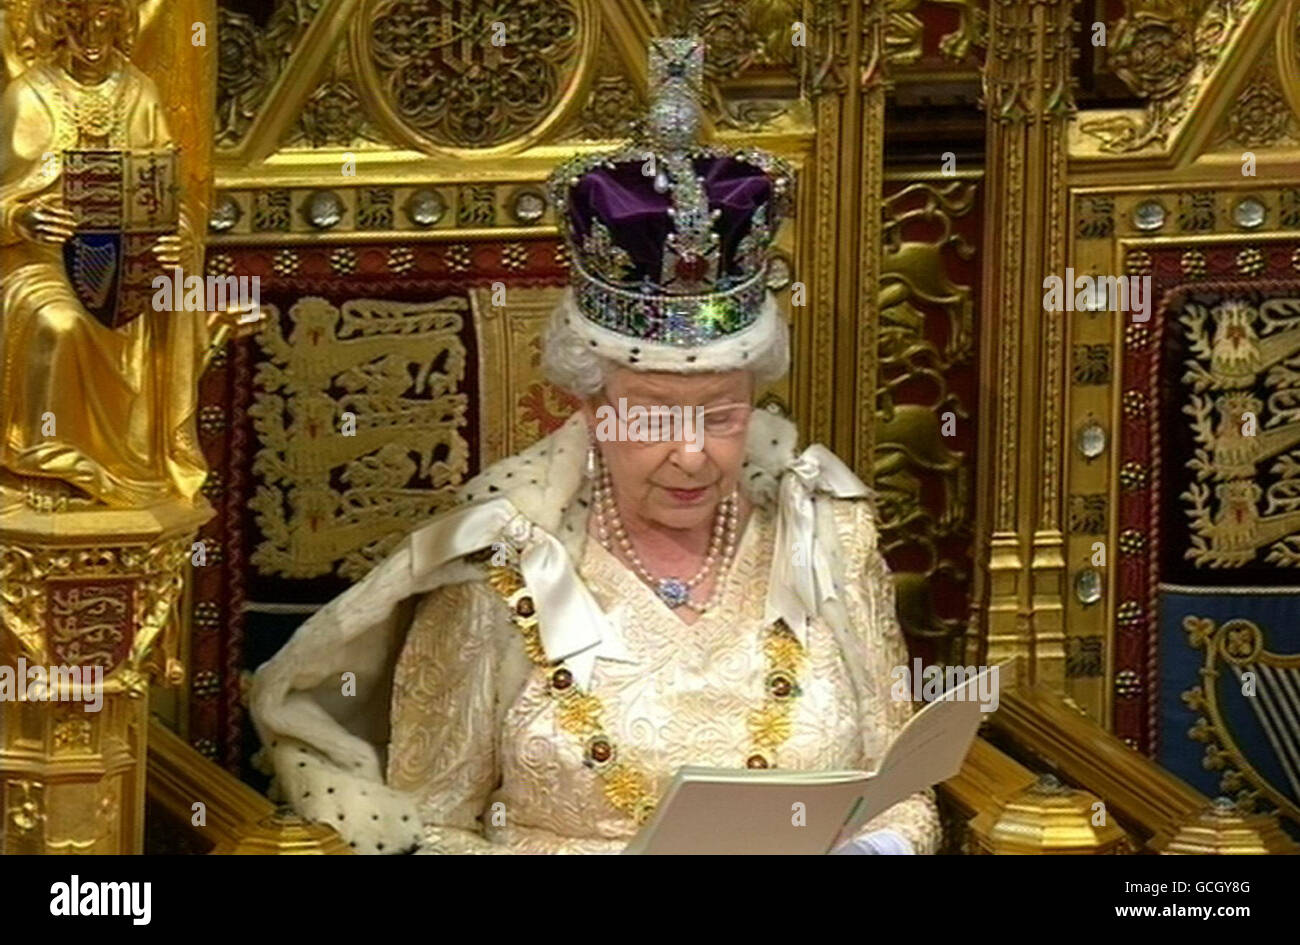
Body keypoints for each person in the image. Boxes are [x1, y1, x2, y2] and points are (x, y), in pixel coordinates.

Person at [250, 37, 940, 855]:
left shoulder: (829, 536)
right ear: (588, 406)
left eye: (720, 415)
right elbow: (431, 828)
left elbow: (904, 793)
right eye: (650, 416)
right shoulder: (499, 571)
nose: (690, 455)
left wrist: (870, 851)